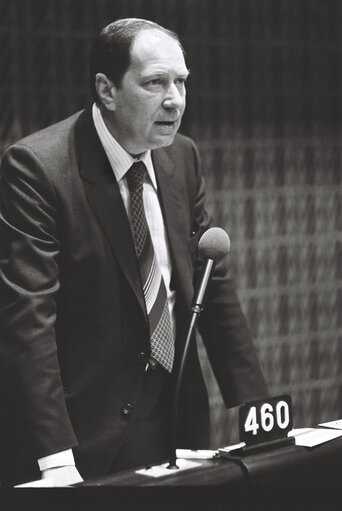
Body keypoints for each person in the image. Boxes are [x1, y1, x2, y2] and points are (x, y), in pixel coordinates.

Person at [0, 18, 267, 487]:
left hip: (176, 419)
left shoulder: (182, 156)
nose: (175, 99)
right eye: (155, 83)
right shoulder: (37, 168)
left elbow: (211, 282)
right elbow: (27, 318)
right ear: (107, 90)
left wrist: (259, 408)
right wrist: (56, 459)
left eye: (181, 81)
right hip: (83, 436)